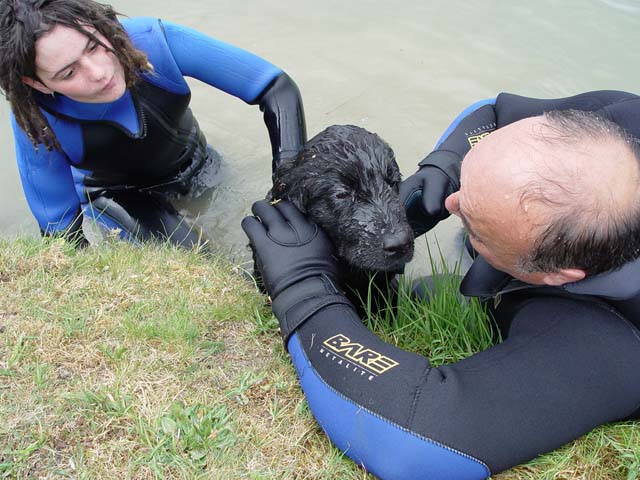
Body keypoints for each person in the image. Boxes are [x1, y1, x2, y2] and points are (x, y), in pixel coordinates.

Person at [242, 90, 640, 479]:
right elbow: (494, 113)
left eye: (476, 227)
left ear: (556, 276)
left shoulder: (606, 343)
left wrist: (303, 286)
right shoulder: (623, 115)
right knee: (430, 289)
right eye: (463, 190)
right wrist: (445, 165)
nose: (450, 204)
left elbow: (414, 444)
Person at [0, 0, 306, 247]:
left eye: (93, 46)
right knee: (193, 253)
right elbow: (60, 230)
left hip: (198, 162)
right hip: (118, 193)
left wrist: (289, 186)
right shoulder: (38, 121)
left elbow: (275, 88)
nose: (99, 73)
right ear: (37, 84)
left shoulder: (153, 42)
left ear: (100, 26)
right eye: (68, 73)